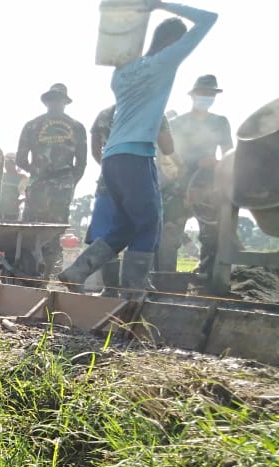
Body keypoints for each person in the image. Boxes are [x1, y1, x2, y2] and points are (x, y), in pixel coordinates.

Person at [60, 2, 218, 298]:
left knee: (124, 226)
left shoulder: (121, 73)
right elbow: (210, 18)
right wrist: (160, 4)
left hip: (112, 160)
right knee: (149, 224)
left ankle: (77, 271)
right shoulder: (164, 63)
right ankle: (134, 293)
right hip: (136, 157)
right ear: (171, 42)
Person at [84, 105, 175, 294]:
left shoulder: (105, 113)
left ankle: (106, 287)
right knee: (145, 229)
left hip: (109, 181)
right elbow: (168, 147)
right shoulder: (153, 109)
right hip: (142, 180)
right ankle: (134, 287)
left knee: (107, 231)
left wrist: (112, 168)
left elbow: (95, 150)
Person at [161, 74, 233, 276]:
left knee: (212, 235)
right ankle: (166, 279)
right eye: (203, 93)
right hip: (179, 187)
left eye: (211, 94)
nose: (207, 97)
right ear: (193, 95)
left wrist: (216, 163)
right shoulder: (177, 123)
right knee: (170, 233)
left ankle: (207, 276)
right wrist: (191, 165)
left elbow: (229, 155)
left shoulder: (220, 123)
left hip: (208, 188)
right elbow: (168, 155)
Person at [16, 83, 88, 279]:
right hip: (55, 191)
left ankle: (35, 278)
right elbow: (81, 165)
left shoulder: (33, 125)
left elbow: (20, 159)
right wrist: (67, 183)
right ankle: (41, 278)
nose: (55, 103)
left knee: (34, 234)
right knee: (47, 236)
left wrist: (39, 174)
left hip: (42, 189)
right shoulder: (76, 127)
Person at [0, 152, 29, 222]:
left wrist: (19, 201)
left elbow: (29, 194)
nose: (5, 165)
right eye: (5, 163)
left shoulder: (22, 178)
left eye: (7, 163)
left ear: (14, 163)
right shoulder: (1, 175)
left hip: (12, 214)